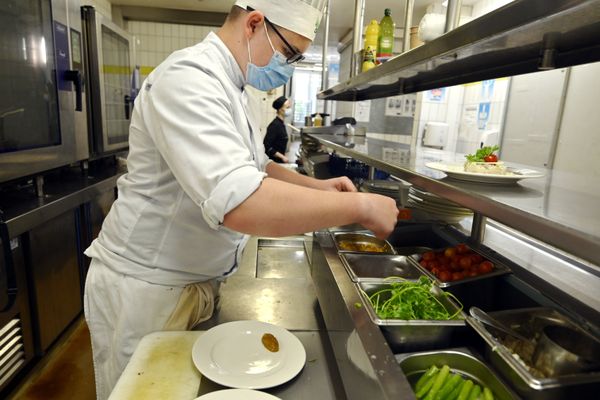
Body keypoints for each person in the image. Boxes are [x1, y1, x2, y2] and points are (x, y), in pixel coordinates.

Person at [83, 1, 399, 398]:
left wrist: (317, 188)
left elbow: (258, 165)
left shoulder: (234, 85)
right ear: (254, 24)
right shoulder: (189, 78)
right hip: (147, 286)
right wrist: (360, 206)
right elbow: (240, 202)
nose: (288, 67)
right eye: (290, 54)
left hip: (188, 280)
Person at [264, 95, 291, 163]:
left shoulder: (281, 124)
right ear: (280, 109)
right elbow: (267, 147)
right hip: (273, 162)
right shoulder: (274, 125)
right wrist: (282, 157)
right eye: (287, 107)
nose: (289, 110)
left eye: (289, 107)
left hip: (280, 161)